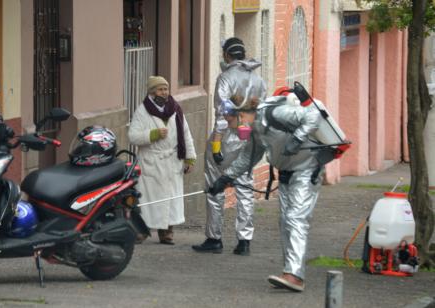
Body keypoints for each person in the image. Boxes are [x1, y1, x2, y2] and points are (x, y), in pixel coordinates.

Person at [209, 87, 329, 292]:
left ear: (240, 114)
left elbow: (314, 115)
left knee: (296, 219)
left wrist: (298, 139)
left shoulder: (274, 113)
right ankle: (290, 271)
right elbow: (249, 156)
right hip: (286, 173)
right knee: (285, 222)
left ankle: (294, 276)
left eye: (230, 120)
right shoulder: (256, 128)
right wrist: (225, 178)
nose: (230, 126)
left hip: (307, 169)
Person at [192, 37, 266, 256]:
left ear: (226, 55)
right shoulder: (259, 81)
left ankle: (214, 238)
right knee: (245, 188)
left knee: (215, 187)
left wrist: (216, 146)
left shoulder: (225, 77)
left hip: (226, 138)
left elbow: (222, 114)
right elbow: (260, 112)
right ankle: (244, 241)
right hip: (249, 138)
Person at [128, 75, 197, 245]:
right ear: (152, 92)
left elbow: (186, 134)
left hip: (172, 161)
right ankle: (142, 231)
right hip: (152, 161)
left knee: (170, 199)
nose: (164, 92)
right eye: (160, 89)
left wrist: (189, 158)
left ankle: (167, 233)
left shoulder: (176, 109)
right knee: (148, 199)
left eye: (166, 89)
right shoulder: (142, 111)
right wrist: (152, 135)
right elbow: (133, 136)